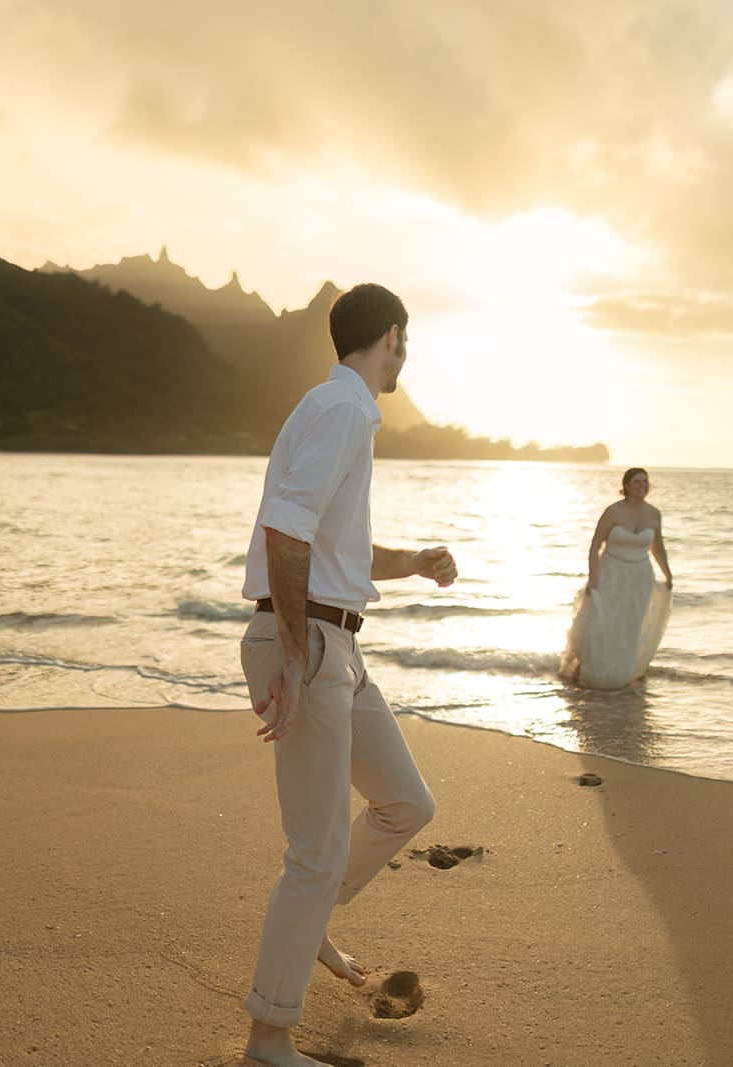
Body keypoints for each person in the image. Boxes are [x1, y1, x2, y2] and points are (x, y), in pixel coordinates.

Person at [237, 283, 458, 1066]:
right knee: (317, 846)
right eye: (408, 340)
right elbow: (286, 532)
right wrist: (295, 655)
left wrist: (415, 563)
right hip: (311, 646)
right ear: (391, 336)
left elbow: (336, 552)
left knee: (405, 803)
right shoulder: (343, 411)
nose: (408, 354)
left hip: (337, 646)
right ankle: (270, 1034)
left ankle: (313, 927)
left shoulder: (339, 412)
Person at [560, 467, 673, 689]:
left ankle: (621, 675)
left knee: (629, 627)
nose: (642, 485)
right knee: (602, 623)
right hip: (610, 573)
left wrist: (668, 574)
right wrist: (593, 578)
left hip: (640, 577)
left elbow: (657, 548)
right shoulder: (613, 511)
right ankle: (588, 670)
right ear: (627, 486)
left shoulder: (654, 514)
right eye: (637, 482)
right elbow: (595, 545)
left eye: (645, 481)